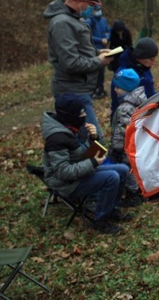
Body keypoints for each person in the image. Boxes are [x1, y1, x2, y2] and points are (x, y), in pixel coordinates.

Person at [42, 94, 135, 235]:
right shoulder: (57, 138)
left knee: (122, 169)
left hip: (81, 172)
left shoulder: (74, 127)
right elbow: (63, 172)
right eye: (81, 113)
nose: (85, 115)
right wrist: (92, 162)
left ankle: (112, 210)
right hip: (66, 183)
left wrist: (93, 139)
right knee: (112, 177)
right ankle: (101, 220)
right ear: (70, 115)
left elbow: (83, 154)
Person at [43, 0, 113, 141]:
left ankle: (93, 164)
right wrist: (99, 61)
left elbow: (78, 49)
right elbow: (71, 62)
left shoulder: (73, 19)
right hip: (72, 92)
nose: (92, 9)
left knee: (86, 140)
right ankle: (98, 165)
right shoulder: (62, 23)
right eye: (90, 5)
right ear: (79, 1)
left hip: (80, 89)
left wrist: (98, 52)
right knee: (95, 141)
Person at [110, 37, 158, 120]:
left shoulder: (143, 68)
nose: (154, 63)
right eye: (151, 59)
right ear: (140, 56)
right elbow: (117, 102)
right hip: (130, 119)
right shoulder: (124, 75)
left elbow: (149, 92)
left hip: (148, 113)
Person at [109, 68, 147, 165]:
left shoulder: (125, 108)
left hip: (124, 154)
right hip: (138, 150)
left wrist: (116, 148)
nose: (115, 89)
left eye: (118, 87)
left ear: (127, 88)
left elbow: (122, 130)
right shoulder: (142, 101)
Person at [87, 7, 111, 99]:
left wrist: (107, 38)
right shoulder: (89, 21)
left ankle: (101, 89)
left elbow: (108, 30)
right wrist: (100, 40)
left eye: (99, 9)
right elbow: (88, 36)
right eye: (96, 10)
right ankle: (94, 90)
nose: (98, 12)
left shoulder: (103, 20)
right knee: (94, 71)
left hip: (103, 49)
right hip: (94, 49)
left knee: (102, 71)